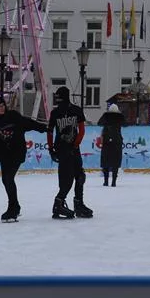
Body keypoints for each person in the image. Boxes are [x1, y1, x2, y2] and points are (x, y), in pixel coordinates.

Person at [0, 96, 47, 221]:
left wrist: (43, 128)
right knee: (5, 180)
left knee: (8, 178)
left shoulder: (13, 116)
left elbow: (28, 123)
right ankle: (15, 206)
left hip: (17, 153)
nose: (2, 108)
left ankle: (13, 208)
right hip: (4, 155)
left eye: (3, 105)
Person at [48, 86, 93, 219]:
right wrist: (75, 145)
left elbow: (50, 132)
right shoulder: (76, 110)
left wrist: (51, 148)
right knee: (76, 177)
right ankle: (62, 203)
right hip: (71, 149)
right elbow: (82, 131)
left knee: (71, 177)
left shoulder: (55, 112)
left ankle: (71, 203)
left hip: (62, 148)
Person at [97, 102, 127, 187]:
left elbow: (99, 123)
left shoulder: (106, 115)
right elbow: (126, 124)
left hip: (106, 141)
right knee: (115, 162)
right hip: (117, 141)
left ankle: (106, 181)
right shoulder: (119, 116)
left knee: (105, 161)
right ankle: (114, 182)